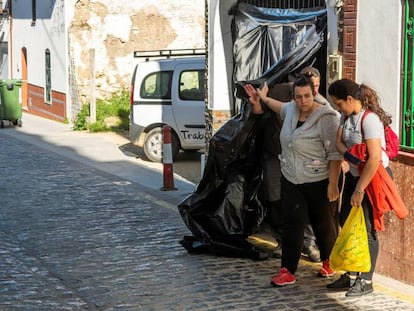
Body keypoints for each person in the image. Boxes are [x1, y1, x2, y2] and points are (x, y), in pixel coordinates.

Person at [244, 75, 343, 286]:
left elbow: (335, 154)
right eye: (298, 97)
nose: (303, 101)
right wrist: (261, 97)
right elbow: (275, 105)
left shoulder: (327, 118)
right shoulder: (290, 110)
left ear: (314, 94)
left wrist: (333, 184)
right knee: (292, 225)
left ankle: (329, 262)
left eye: (307, 96)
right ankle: (287, 270)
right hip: (291, 178)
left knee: (323, 224)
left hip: (319, 179)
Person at [327, 78, 391, 297]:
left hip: (371, 180)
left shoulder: (369, 120)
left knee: (368, 230)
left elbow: (373, 159)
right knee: (346, 222)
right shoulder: (346, 118)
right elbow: (338, 144)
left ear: (350, 99)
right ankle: (351, 273)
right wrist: (349, 156)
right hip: (356, 177)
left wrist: (359, 189)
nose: (337, 108)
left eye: (339, 104)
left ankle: (366, 280)